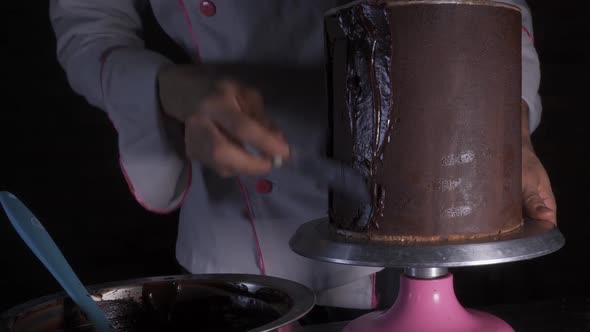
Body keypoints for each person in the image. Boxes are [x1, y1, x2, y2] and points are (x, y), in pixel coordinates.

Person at [49, 0, 556, 317]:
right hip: (228, 238)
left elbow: (489, 7)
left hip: (396, 233)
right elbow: (89, 29)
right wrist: (164, 90)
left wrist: (502, 130)